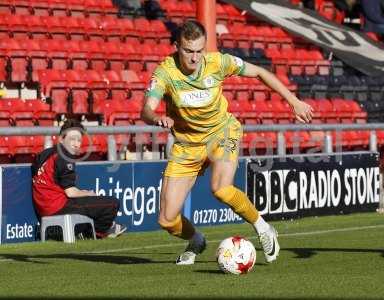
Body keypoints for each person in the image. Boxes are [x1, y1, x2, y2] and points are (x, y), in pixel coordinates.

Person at [141, 21, 313, 265]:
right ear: (177, 46)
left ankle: (263, 228)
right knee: (167, 220)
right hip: (187, 145)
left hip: (222, 132)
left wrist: (293, 101)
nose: (194, 57)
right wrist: (157, 118)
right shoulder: (165, 73)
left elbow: (260, 72)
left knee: (220, 188)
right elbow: (146, 109)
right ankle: (196, 239)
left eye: (199, 51)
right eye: (188, 51)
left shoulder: (218, 62)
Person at [31, 119, 127, 239]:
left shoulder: (45, 154)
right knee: (113, 203)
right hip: (57, 208)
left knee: (91, 204)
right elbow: (71, 192)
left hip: (43, 211)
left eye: (79, 140)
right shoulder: (64, 156)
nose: (76, 144)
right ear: (61, 139)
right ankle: (96, 233)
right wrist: (88, 194)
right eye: (72, 139)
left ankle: (92, 229)